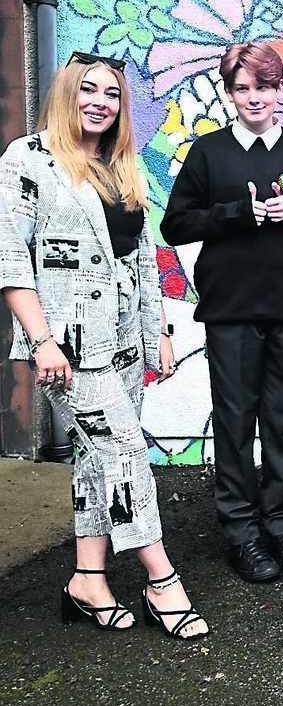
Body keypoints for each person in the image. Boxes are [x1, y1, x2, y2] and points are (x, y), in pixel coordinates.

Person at [0, 51, 206, 639]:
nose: (100, 102)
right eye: (88, 90)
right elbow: (11, 258)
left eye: (112, 94)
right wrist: (40, 340)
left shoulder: (121, 164)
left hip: (122, 341)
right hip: (67, 347)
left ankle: (88, 578)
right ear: (67, 93)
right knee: (125, 452)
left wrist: (158, 332)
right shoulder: (29, 159)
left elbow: (141, 258)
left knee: (98, 461)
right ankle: (161, 579)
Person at [161, 42, 283, 584]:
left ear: (279, 90)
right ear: (229, 93)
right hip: (231, 308)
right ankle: (242, 532)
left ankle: (282, 524)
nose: (254, 98)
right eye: (242, 88)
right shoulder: (208, 153)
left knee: (282, 419)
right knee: (237, 420)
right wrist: (236, 213)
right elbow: (177, 225)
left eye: (263, 87)